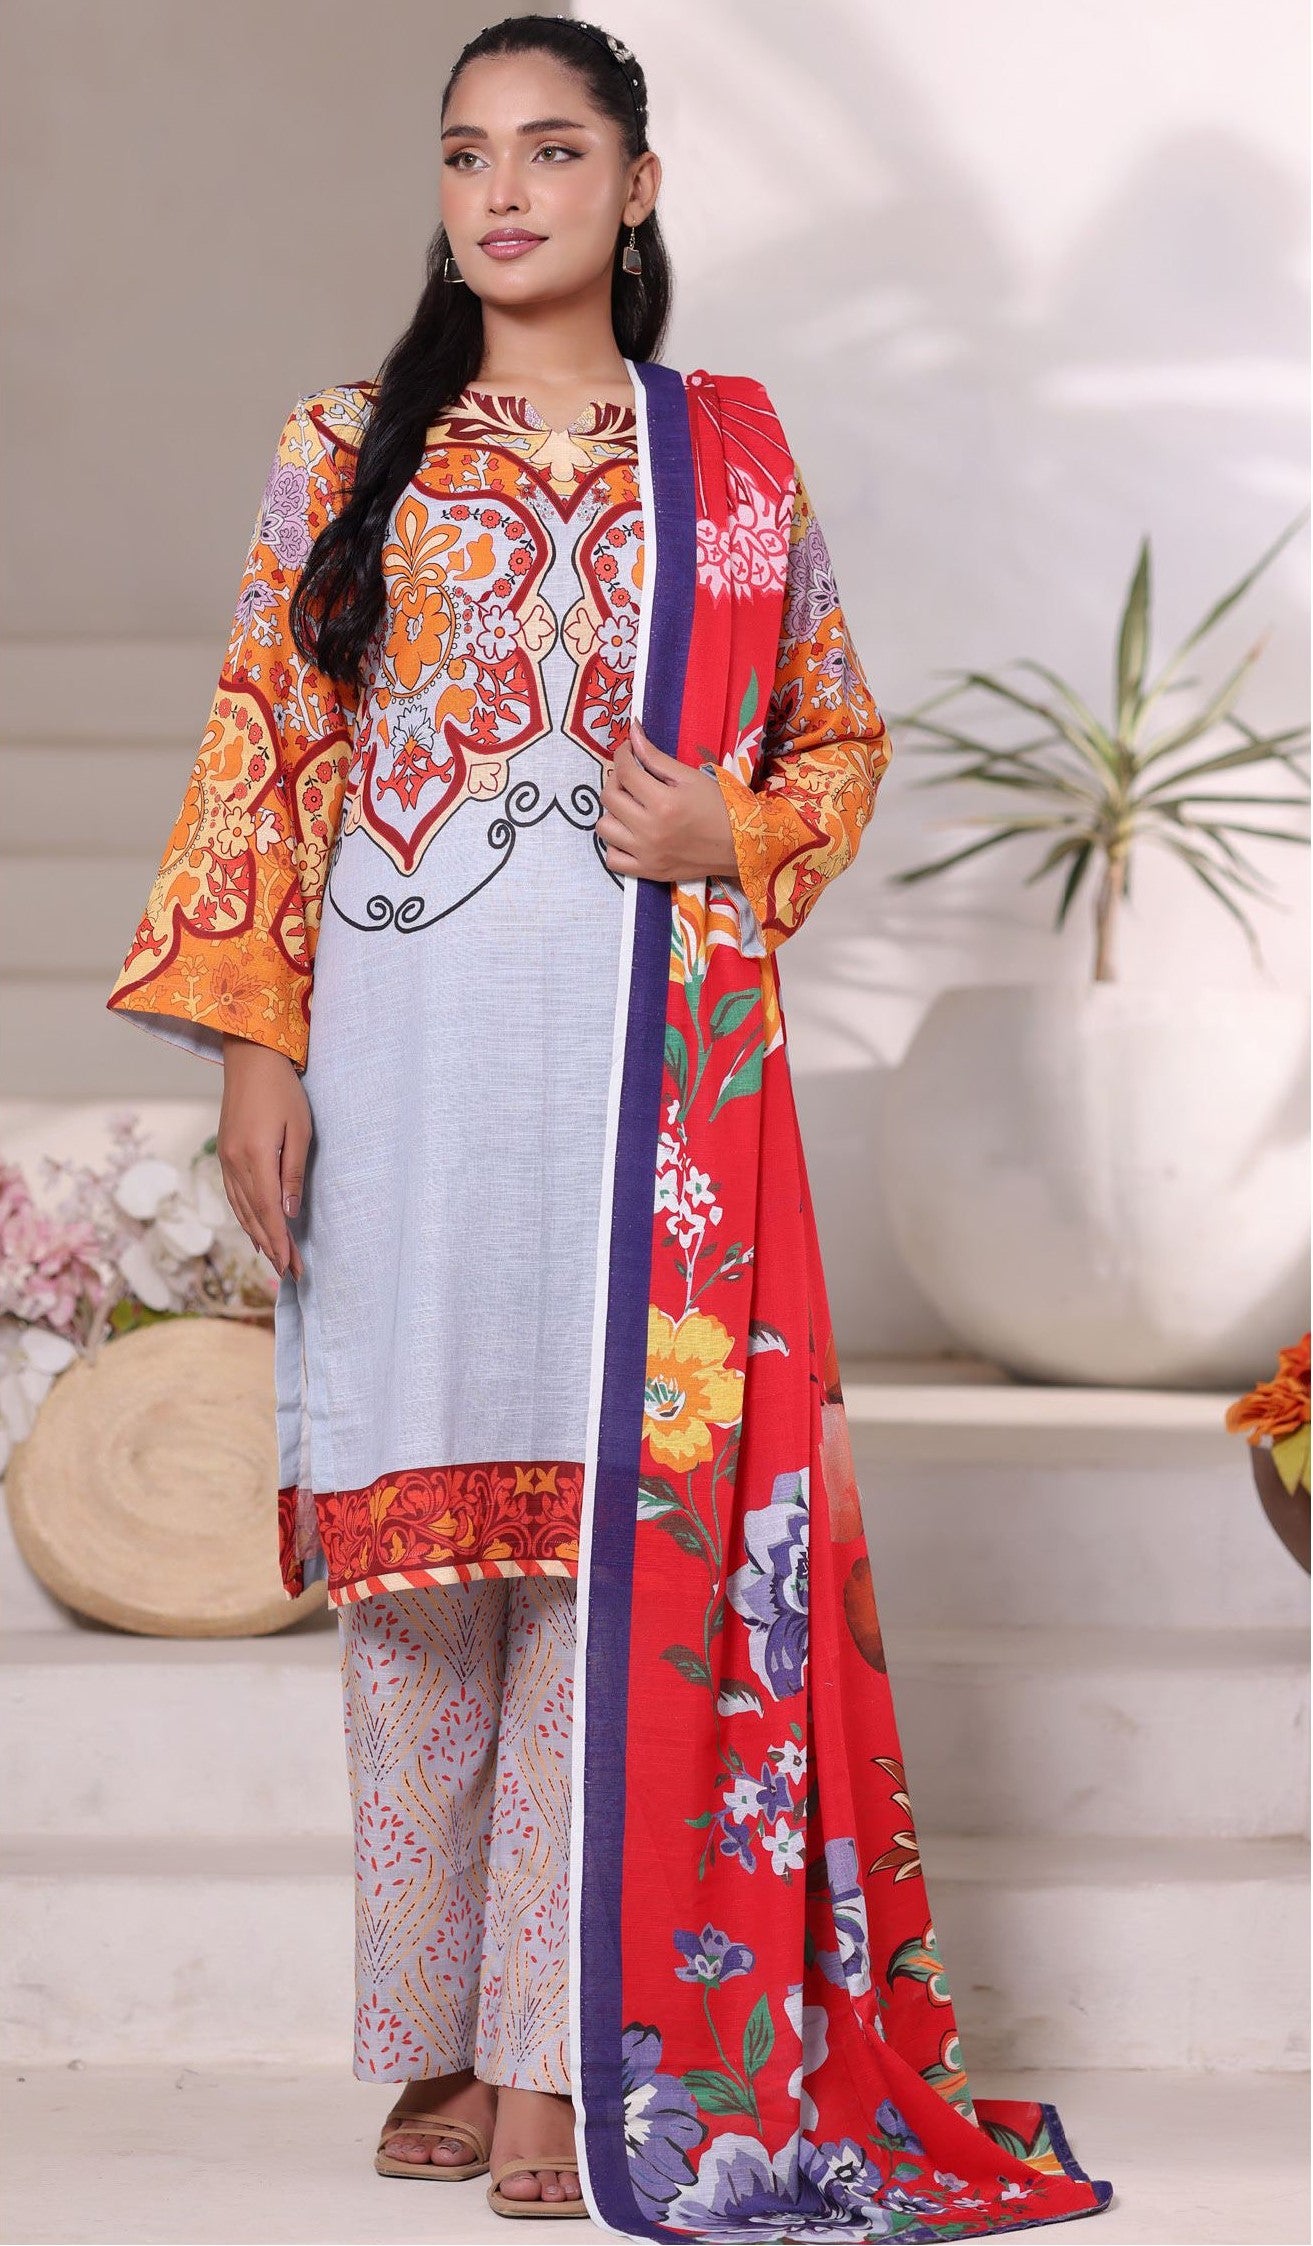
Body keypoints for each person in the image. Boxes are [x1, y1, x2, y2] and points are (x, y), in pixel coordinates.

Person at [107, 13, 1111, 2237]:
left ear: (636, 185)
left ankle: (566, 2053)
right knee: (416, 1559)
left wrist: (727, 828)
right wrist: (258, 1046)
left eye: (552, 150)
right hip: (406, 1058)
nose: (504, 191)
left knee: (599, 1551)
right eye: (468, 153)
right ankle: (432, 2034)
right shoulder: (343, 445)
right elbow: (267, 744)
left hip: (649, 1078)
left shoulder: (726, 460)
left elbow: (836, 734)